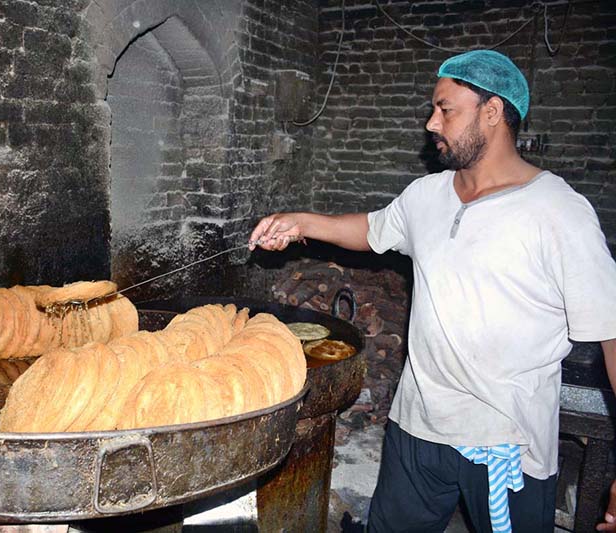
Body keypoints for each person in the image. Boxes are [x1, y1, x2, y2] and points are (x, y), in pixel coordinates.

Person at [249, 50, 616, 533]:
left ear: (492, 111)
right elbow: (370, 229)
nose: (431, 123)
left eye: (446, 110)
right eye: (433, 109)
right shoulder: (428, 195)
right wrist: (301, 221)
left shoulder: (559, 212)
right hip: (415, 426)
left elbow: (611, 335)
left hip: (502, 443)